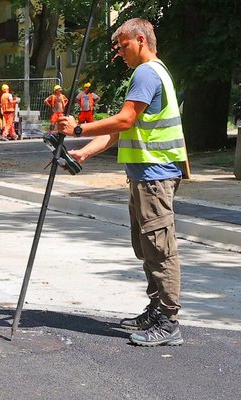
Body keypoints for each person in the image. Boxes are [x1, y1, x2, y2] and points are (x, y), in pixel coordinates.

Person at [56, 18, 187, 347]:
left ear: (141, 40)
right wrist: (83, 152)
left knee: (160, 249)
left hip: (154, 175)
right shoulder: (153, 73)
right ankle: (157, 309)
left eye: (123, 46)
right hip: (146, 175)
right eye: (116, 48)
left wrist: (77, 129)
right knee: (146, 247)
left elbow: (125, 119)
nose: (119, 54)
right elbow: (120, 131)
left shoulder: (146, 73)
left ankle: (169, 321)